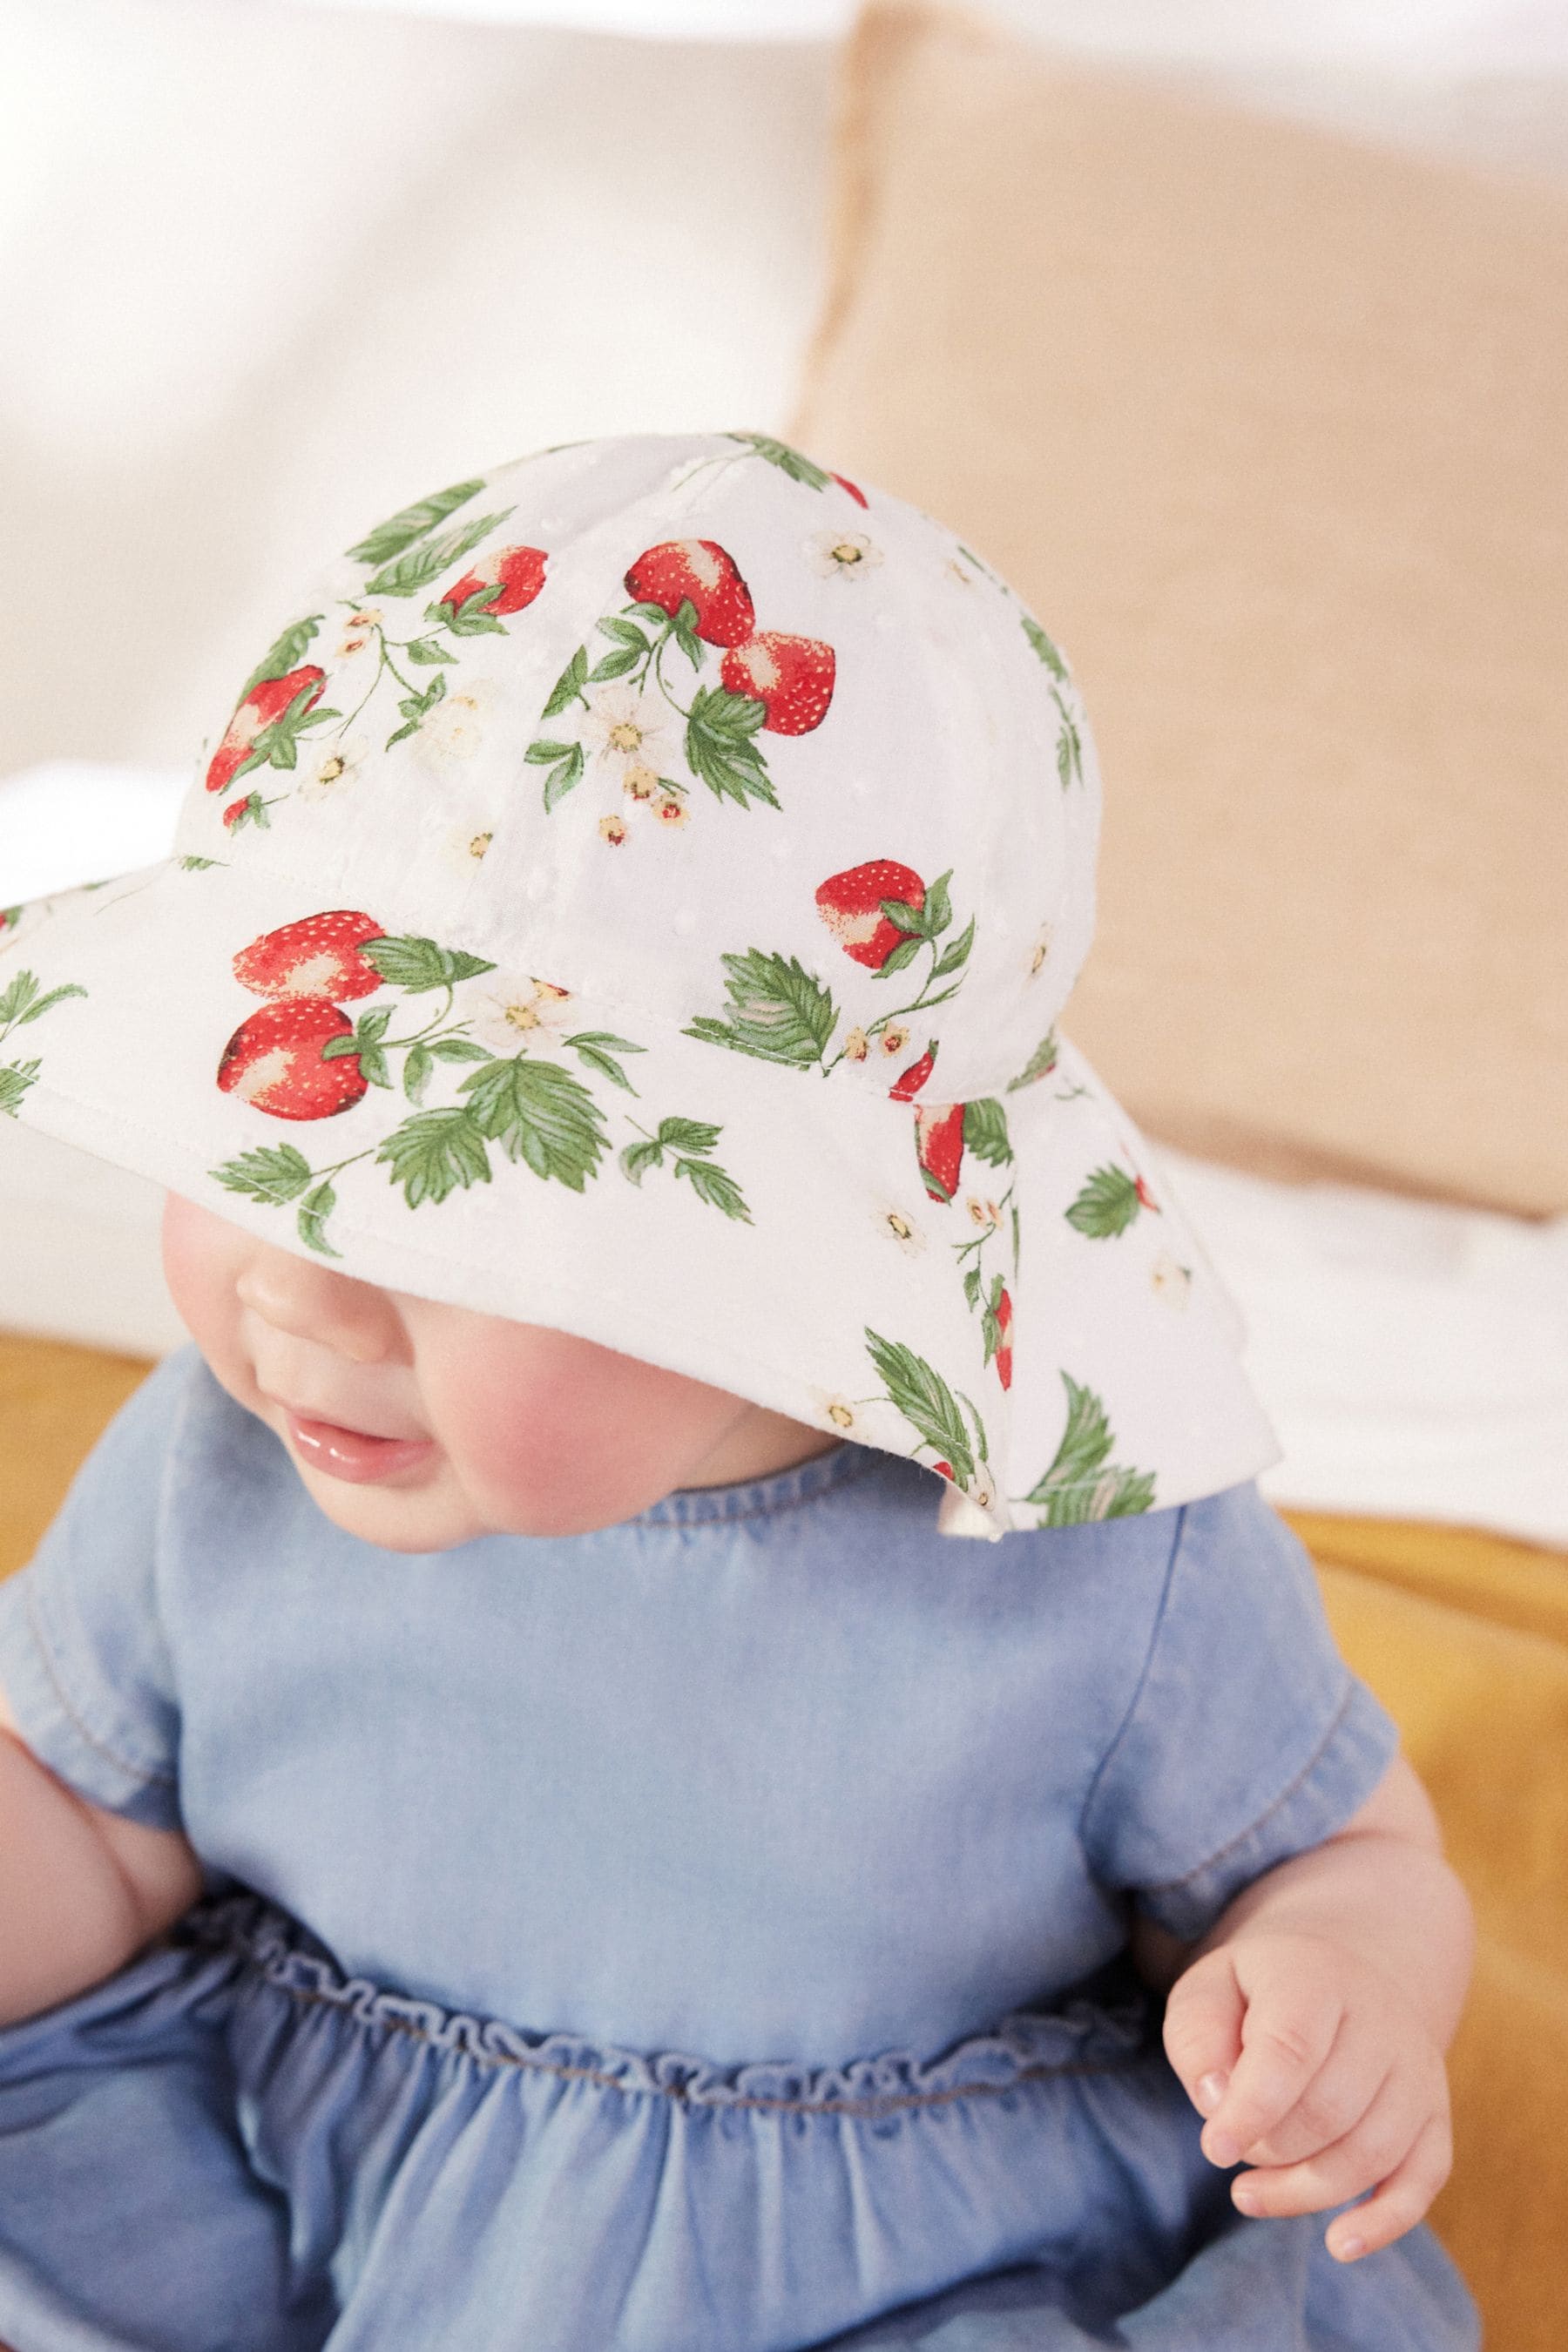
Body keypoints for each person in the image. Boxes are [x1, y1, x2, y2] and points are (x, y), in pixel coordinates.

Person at [0, 432, 1477, 2349]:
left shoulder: (1091, 1556)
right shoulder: (222, 1460)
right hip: (280, 2170)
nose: (290, 1291)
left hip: (842, 2272)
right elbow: (100, 1818)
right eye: (266, 1140)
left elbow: (1341, 1852)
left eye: (442, 1222)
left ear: (790, 1244)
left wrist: (1338, 1977)